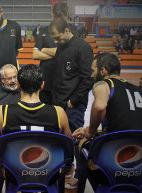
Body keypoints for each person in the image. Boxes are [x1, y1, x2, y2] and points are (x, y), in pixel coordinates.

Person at [73, 52, 142, 187]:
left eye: (93, 71)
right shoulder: (137, 89)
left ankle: (92, 187)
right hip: (138, 164)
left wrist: (90, 132)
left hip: (115, 162)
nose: (92, 75)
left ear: (103, 71)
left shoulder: (103, 84)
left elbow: (99, 106)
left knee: (81, 143)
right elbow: (124, 127)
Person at [49, 17, 94, 190]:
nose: (55, 41)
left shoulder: (83, 48)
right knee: (61, 139)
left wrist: (73, 100)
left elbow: (87, 78)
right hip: (58, 102)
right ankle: (66, 169)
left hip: (73, 105)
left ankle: (80, 174)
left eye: (57, 37)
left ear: (67, 31)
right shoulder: (61, 46)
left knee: (75, 141)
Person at [0, 64, 72, 142]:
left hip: (12, 155)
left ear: (18, 85)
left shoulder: (2, 112)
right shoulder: (59, 113)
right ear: (42, 85)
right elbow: (69, 147)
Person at [33, 1, 69, 104]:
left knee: (61, 115)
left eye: (60, 18)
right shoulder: (44, 31)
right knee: (45, 115)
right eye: (55, 18)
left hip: (64, 82)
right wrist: (59, 54)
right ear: (52, 15)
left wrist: (44, 50)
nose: (57, 21)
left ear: (66, 16)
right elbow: (35, 54)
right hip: (45, 81)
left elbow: (69, 54)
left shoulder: (72, 32)